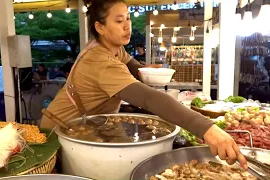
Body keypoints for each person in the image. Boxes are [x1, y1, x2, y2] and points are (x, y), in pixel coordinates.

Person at [41, 0, 247, 169]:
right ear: (100, 27)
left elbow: (132, 64)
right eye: (119, 20)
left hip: (87, 124)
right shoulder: (100, 61)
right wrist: (206, 128)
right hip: (60, 130)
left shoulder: (113, 48)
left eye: (128, 18)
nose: (127, 26)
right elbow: (149, 98)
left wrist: (147, 68)